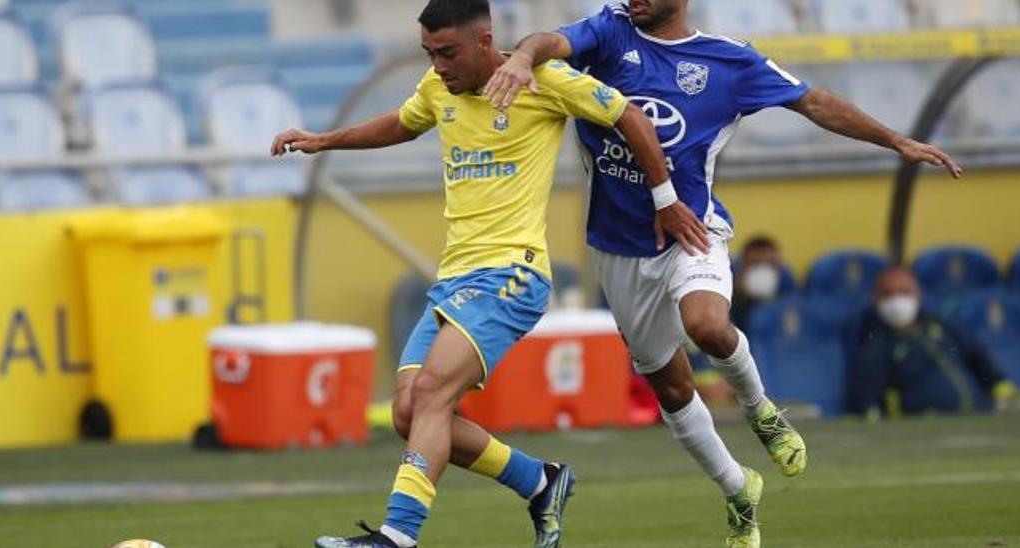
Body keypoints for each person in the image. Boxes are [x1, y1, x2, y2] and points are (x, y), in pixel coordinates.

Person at [483, 1, 963, 546]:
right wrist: (522, 57)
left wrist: (896, 140)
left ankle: (762, 413)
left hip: (693, 229)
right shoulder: (611, 31)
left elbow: (815, 101)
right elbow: (551, 42)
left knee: (708, 327)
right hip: (618, 248)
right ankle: (738, 490)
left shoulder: (728, 62)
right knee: (670, 385)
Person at [273, 2, 706, 546]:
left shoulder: (544, 81)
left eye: (448, 53)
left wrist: (664, 198)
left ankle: (396, 536)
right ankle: (541, 481)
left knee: (430, 393)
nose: (438, 67)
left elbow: (629, 116)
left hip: (512, 274)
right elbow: (402, 124)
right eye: (430, 54)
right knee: (410, 412)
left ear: (485, 41)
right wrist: (323, 140)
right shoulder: (438, 90)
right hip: (454, 280)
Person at [848, 267, 1015, 418]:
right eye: (887, 294)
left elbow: (977, 356)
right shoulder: (873, 344)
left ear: (918, 293)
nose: (896, 300)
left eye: (904, 292)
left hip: (979, 413)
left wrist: (998, 383)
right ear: (874, 299)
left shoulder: (940, 325)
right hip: (924, 427)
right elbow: (866, 401)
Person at [731, 236, 787, 329]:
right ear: (742, 266)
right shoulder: (724, 306)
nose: (763, 271)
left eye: (770, 264)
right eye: (756, 264)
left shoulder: (789, 309)